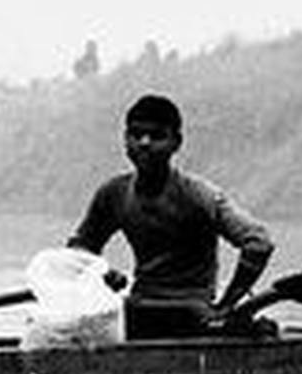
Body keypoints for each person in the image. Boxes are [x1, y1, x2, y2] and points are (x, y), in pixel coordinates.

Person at [69, 92, 276, 340]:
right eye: (136, 135)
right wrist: (100, 271)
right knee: (65, 327)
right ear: (125, 141)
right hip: (139, 307)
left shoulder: (199, 195)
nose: (144, 143)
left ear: (176, 142)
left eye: (157, 136)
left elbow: (258, 242)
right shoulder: (114, 194)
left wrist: (226, 305)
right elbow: (79, 248)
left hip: (192, 312)